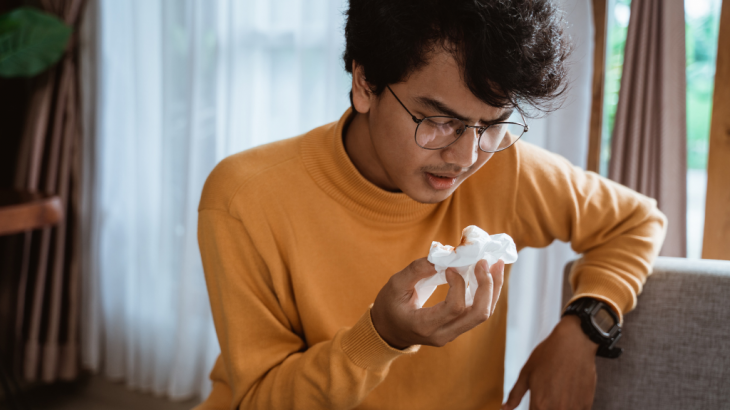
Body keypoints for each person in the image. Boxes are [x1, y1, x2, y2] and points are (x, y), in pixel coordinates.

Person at [194, 0, 666, 409]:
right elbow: (258, 400)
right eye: (439, 120)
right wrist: (380, 337)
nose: (464, 158)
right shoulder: (245, 197)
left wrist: (582, 327)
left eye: (493, 124)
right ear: (364, 83)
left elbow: (637, 219)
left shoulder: (506, 167)